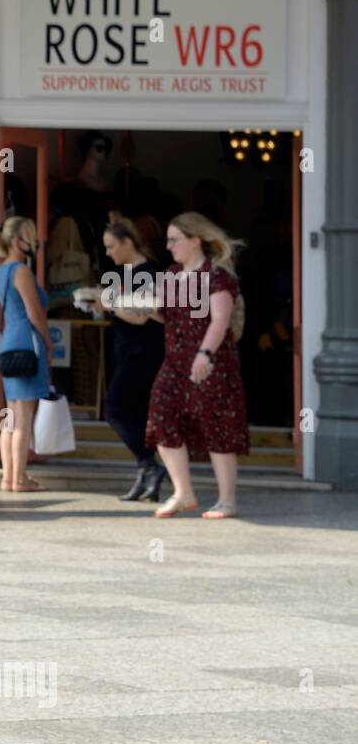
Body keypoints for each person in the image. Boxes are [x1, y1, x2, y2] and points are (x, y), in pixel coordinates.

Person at [142, 212, 250, 518]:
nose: (169, 246)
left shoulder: (217, 276)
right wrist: (121, 303)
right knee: (162, 417)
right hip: (175, 362)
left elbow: (219, 320)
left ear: (195, 240)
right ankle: (183, 493)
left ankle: (227, 500)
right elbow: (164, 314)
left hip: (212, 362)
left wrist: (205, 354)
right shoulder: (173, 274)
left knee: (218, 427)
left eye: (175, 240)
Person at [97, 218, 168, 501]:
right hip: (131, 351)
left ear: (128, 243)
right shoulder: (131, 273)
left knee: (115, 408)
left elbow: (141, 316)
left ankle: (149, 465)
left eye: (112, 246)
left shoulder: (145, 273)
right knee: (136, 413)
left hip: (143, 353)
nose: (108, 253)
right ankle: (146, 469)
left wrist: (109, 304)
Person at [0, 216, 53, 492]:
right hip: (28, 343)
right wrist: (49, 343)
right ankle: (20, 478)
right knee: (24, 415)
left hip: (8, 343)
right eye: (31, 236)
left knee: (12, 414)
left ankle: (8, 477)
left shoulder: (1, 271)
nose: (35, 242)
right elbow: (34, 312)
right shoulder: (22, 271)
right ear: (18, 241)